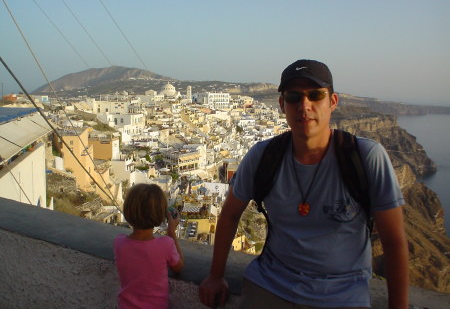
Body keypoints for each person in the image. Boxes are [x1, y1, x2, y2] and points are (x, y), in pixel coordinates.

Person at [199, 59, 409, 309]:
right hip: (271, 283)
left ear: (332, 102)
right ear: (282, 105)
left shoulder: (366, 157)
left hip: (343, 291)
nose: (304, 105)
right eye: (294, 97)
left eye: (315, 95)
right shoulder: (264, 156)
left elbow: (394, 241)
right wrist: (215, 276)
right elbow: (231, 215)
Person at [114, 183, 184, 309]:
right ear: (160, 215)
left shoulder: (119, 243)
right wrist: (171, 232)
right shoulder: (165, 245)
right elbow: (178, 267)